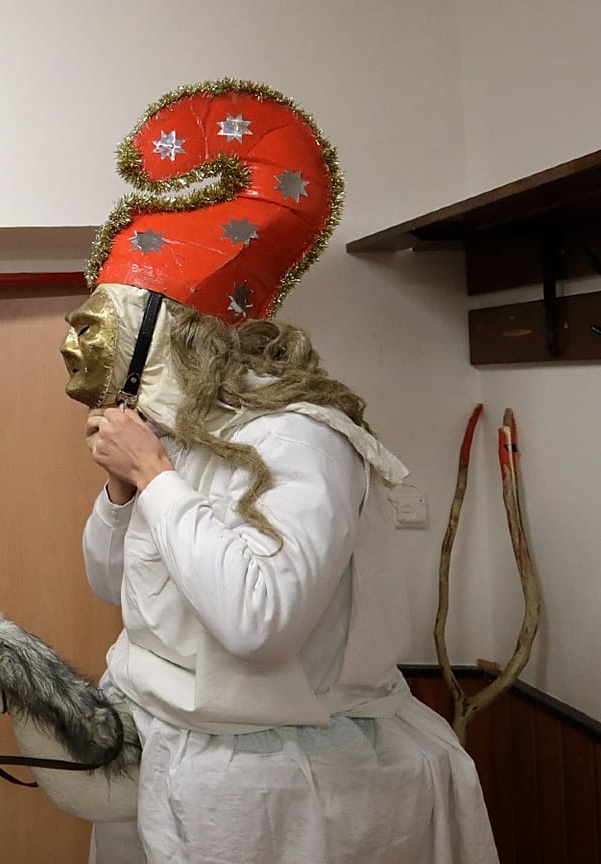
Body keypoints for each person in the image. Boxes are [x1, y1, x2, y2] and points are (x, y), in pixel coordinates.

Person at [61, 81, 497, 863]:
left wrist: (155, 475)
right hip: (164, 761)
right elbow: (109, 587)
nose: (79, 345)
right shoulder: (189, 438)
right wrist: (125, 491)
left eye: (107, 323)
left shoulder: (301, 438)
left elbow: (261, 624)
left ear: (177, 336)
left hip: (283, 798)